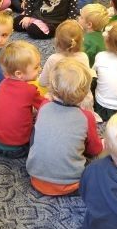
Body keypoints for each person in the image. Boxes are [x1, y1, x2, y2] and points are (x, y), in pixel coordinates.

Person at [27, 58, 103, 195]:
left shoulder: (44, 106)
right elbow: (94, 150)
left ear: (51, 88)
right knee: (100, 165)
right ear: (84, 93)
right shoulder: (86, 117)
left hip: (35, 178)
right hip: (70, 184)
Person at [0, 41, 46, 158]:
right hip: (19, 149)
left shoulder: (3, 83)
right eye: (36, 67)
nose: (40, 69)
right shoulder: (30, 90)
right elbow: (45, 107)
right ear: (19, 74)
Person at [38, 19, 95, 113]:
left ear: (56, 41)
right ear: (81, 41)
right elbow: (87, 82)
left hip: (60, 101)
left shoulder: (53, 59)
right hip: (83, 102)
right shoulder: (84, 57)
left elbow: (42, 82)